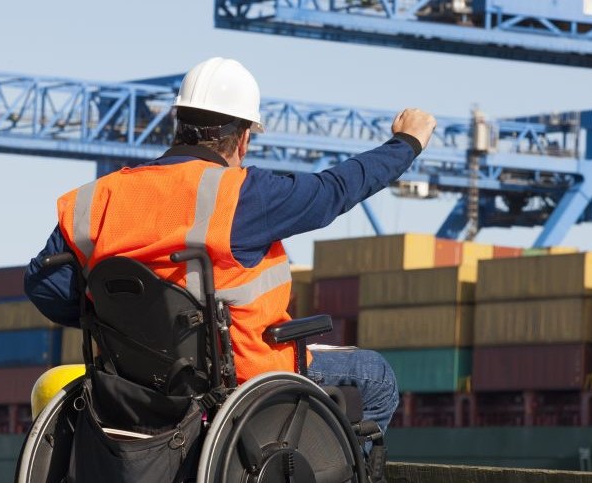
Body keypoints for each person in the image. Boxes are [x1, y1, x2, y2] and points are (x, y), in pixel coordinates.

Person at [25, 56, 436, 439]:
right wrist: (406, 144)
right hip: (242, 379)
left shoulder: (95, 200)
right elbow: (335, 190)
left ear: (177, 123)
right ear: (242, 138)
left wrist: (128, 327)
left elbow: (46, 286)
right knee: (375, 376)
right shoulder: (242, 195)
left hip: (132, 381)